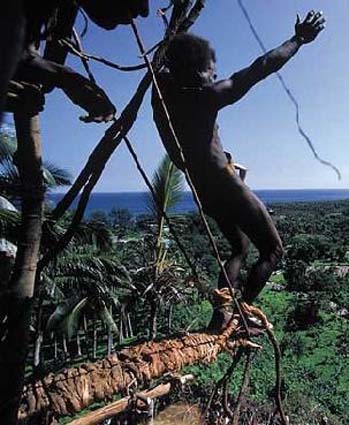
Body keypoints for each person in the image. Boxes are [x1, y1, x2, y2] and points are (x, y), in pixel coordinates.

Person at [152, 10, 326, 332]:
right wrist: (299, 40)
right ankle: (244, 316)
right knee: (273, 250)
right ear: (195, 72)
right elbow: (260, 68)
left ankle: (221, 315)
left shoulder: (161, 99)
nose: (214, 76)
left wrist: (173, 33)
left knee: (239, 248)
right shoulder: (206, 98)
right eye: (210, 71)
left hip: (203, 190)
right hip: (225, 184)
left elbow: (162, 65)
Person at [1, 0, 150, 121]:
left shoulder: (65, 7)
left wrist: (65, 81)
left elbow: (44, 75)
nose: (144, 12)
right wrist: (66, 79)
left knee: (27, 96)